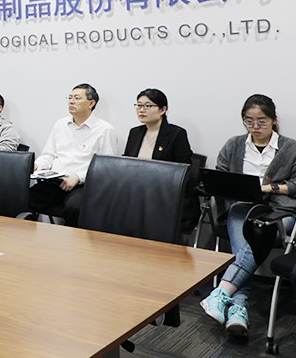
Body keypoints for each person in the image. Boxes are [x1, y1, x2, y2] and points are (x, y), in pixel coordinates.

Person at [200, 94, 296, 339]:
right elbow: (221, 175)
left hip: (280, 211)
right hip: (242, 206)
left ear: (274, 120)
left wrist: (267, 188)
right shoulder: (234, 145)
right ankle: (237, 309)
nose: (255, 127)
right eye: (248, 121)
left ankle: (222, 294)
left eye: (261, 121)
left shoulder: (291, 147)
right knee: (245, 237)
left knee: (256, 237)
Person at [30, 83, 117, 226]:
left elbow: (106, 167)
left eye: (77, 98)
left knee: (74, 209)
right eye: (69, 98)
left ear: (91, 103)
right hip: (55, 181)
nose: (71, 101)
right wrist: (37, 165)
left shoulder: (104, 130)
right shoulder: (60, 124)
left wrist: (78, 177)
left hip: (83, 185)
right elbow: (49, 154)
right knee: (21, 198)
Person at [123, 88, 196, 228]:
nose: (141, 110)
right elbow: (127, 165)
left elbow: (183, 171)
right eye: (139, 105)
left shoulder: (176, 134)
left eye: (148, 106)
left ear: (163, 110)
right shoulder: (135, 133)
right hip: (137, 191)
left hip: (165, 194)